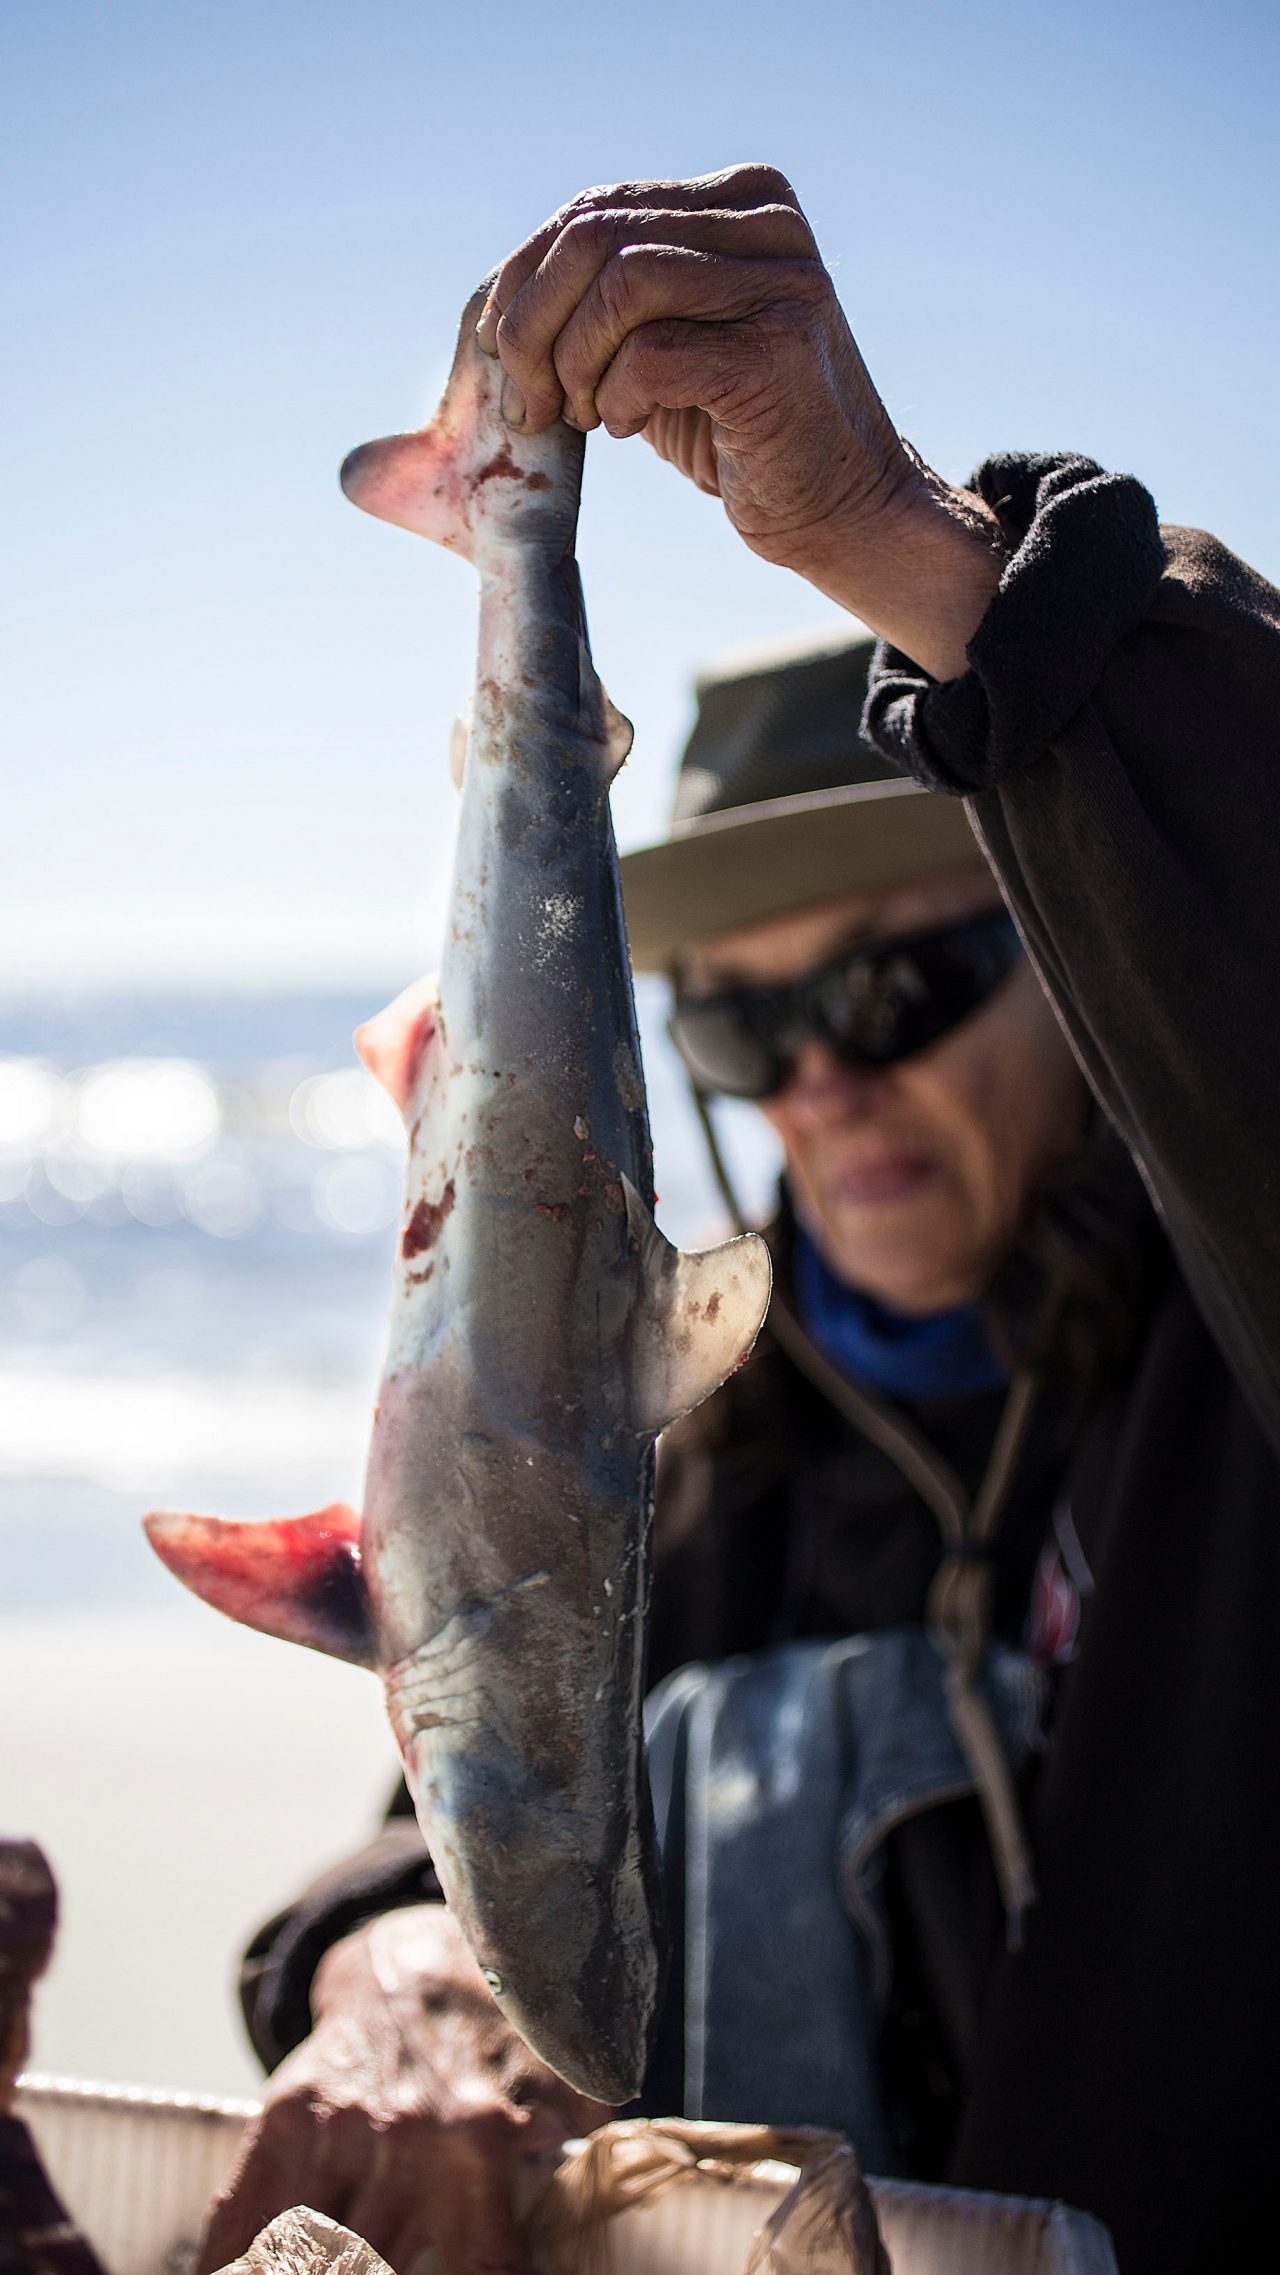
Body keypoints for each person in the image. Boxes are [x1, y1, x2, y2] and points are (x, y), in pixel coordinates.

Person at [204, 168, 1280, 2275]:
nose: (820, 1082)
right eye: (742, 1014)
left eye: (886, 988)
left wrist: (932, 557)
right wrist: (408, 1954)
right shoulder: (702, 1459)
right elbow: (465, 1812)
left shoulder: (1221, 1395)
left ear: (1072, 949)